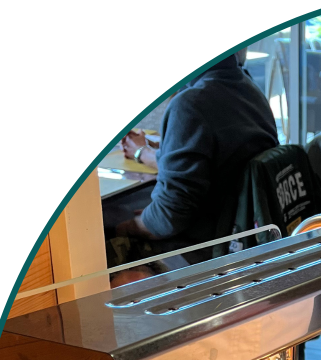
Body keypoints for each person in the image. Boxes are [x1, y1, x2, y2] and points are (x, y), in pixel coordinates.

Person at [112, 51, 278, 271]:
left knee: (108, 230)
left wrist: (126, 227)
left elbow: (168, 218)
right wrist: (145, 154)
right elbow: (203, 168)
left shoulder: (190, 104)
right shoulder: (249, 89)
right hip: (240, 233)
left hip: (205, 251)